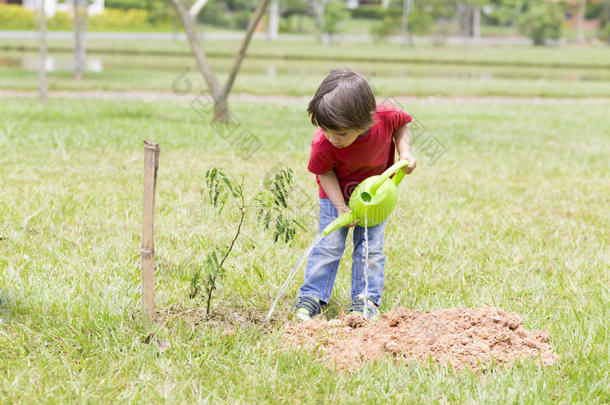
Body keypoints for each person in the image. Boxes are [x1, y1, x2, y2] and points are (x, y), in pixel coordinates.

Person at [294, 68, 417, 321]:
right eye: (326, 130)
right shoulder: (324, 143)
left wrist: (404, 152)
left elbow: (403, 124)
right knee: (329, 244)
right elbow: (324, 172)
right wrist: (341, 207)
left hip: (376, 196)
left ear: (367, 119)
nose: (332, 138)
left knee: (370, 247)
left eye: (340, 133)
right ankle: (312, 296)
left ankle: (365, 299)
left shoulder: (385, 117)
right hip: (336, 196)